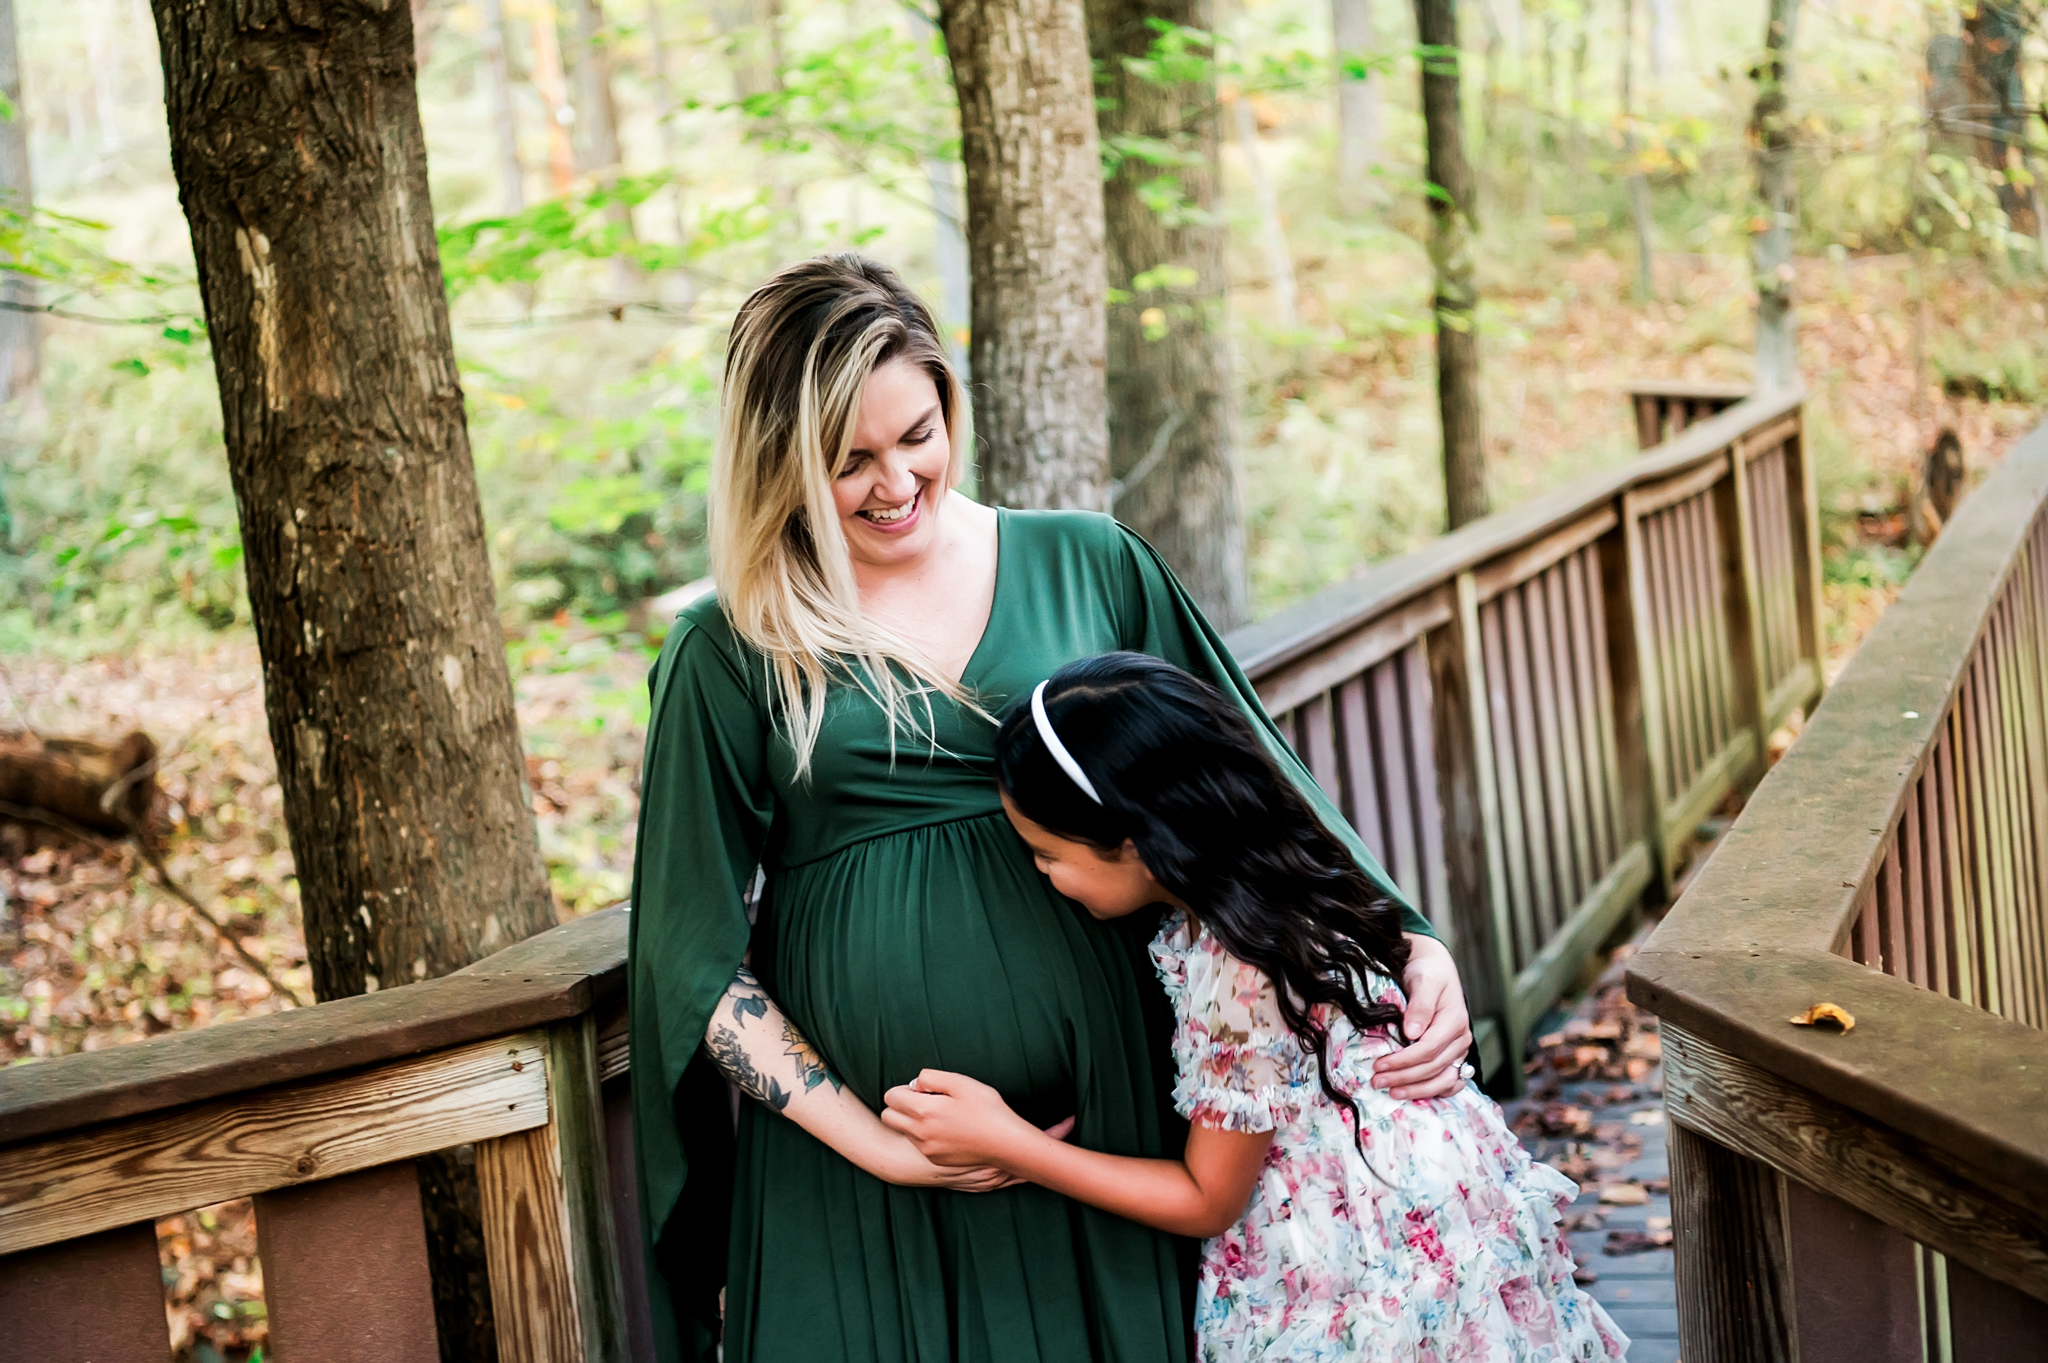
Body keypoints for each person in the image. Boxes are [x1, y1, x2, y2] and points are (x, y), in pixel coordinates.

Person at [627, 253, 1478, 1363]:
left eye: (918, 434)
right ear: (779, 462)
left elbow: (1249, 783)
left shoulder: (1089, 562)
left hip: (1118, 1125)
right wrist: (881, 1147)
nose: (896, 482)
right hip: (864, 1174)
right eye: (849, 460)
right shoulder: (729, 644)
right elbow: (690, 952)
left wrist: (1404, 939)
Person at [879, 653, 1628, 1363]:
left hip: (1361, 1254)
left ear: (1135, 844)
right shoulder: (1271, 878)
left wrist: (1011, 1143)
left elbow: (1208, 1198)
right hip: (1433, 1211)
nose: (1042, 874)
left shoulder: (1235, 972)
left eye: (1047, 854)